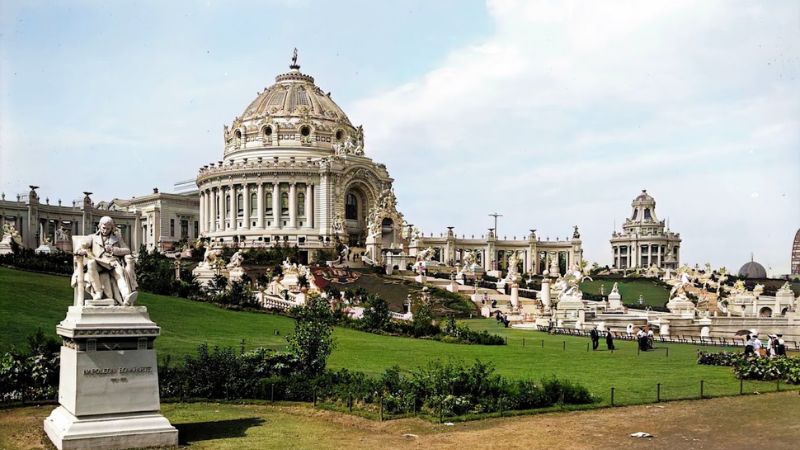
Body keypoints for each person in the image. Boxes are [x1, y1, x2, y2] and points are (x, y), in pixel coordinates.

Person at [76, 216, 137, 305]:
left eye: (108, 229)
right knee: (90, 263)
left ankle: (126, 296)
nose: (105, 230)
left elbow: (127, 250)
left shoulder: (117, 237)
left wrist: (113, 249)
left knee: (119, 273)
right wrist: (80, 250)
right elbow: (82, 245)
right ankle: (98, 292)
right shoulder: (92, 237)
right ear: (99, 226)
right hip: (98, 262)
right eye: (103, 228)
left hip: (112, 263)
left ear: (112, 228)